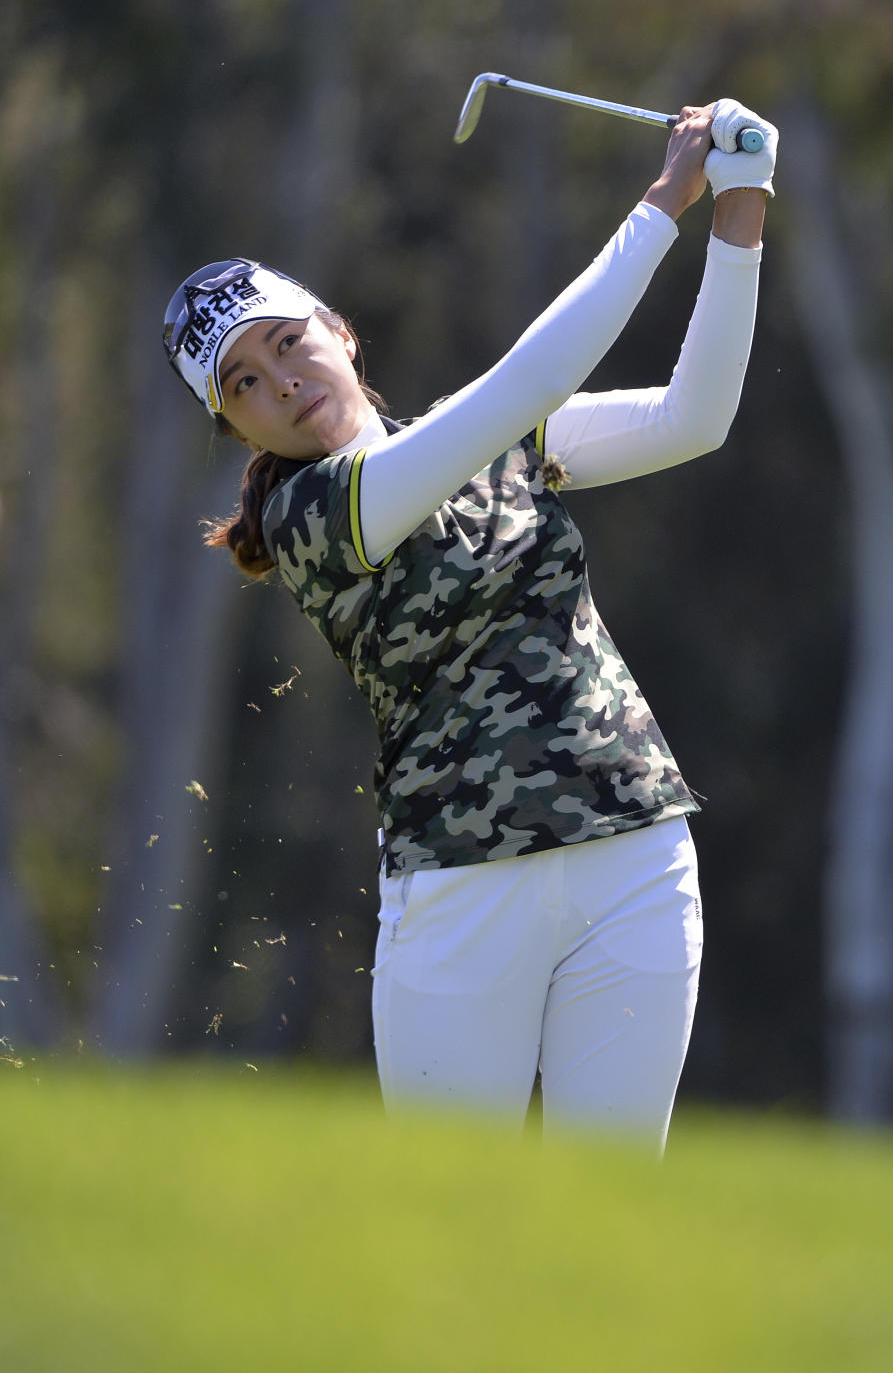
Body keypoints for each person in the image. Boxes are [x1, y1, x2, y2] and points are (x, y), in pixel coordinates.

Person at [163, 98, 777, 1150]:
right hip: (460, 889)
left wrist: (740, 211)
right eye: (246, 386)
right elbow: (527, 381)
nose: (284, 382)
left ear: (339, 333)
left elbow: (694, 415)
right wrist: (662, 201)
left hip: (630, 848)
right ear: (236, 429)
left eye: (287, 343)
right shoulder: (313, 517)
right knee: (461, 1236)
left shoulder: (491, 437)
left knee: (615, 1219)